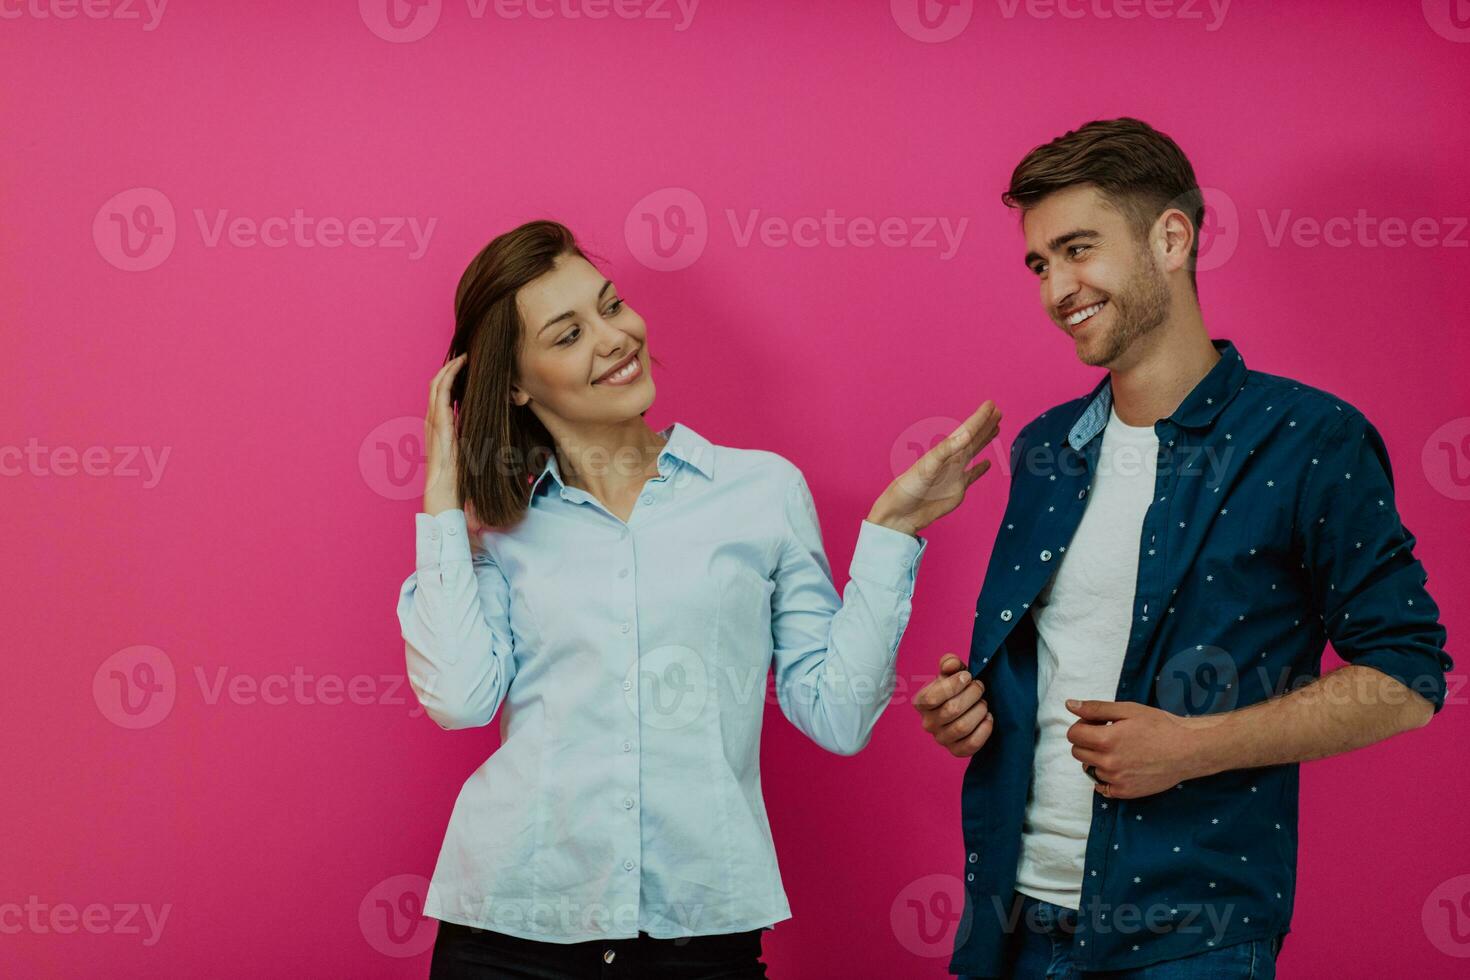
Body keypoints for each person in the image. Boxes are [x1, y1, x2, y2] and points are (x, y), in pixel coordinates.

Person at [912, 118, 1452, 979]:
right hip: (1009, 924)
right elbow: (1051, 663)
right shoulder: (1051, 450)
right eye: (1040, 263)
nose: (1057, 287)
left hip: (1189, 938)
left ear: (1170, 237)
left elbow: (1410, 677)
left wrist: (1191, 747)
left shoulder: (1310, 439)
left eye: (1078, 249)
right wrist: (975, 709)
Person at [397, 219, 1002, 978]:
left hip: (698, 943)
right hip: (509, 937)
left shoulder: (761, 492)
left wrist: (892, 534)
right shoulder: (503, 536)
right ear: (515, 383)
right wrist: (443, 499)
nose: (614, 338)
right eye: (568, 334)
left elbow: (839, 715)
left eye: (611, 306)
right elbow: (459, 699)